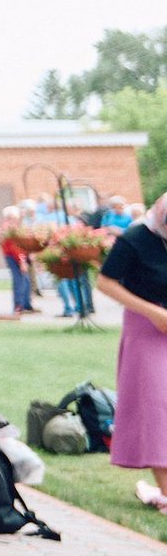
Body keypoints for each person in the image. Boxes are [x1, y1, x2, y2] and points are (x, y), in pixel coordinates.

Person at [101, 195, 167, 511]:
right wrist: (151, 312)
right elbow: (105, 282)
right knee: (156, 405)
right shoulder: (135, 239)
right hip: (146, 324)